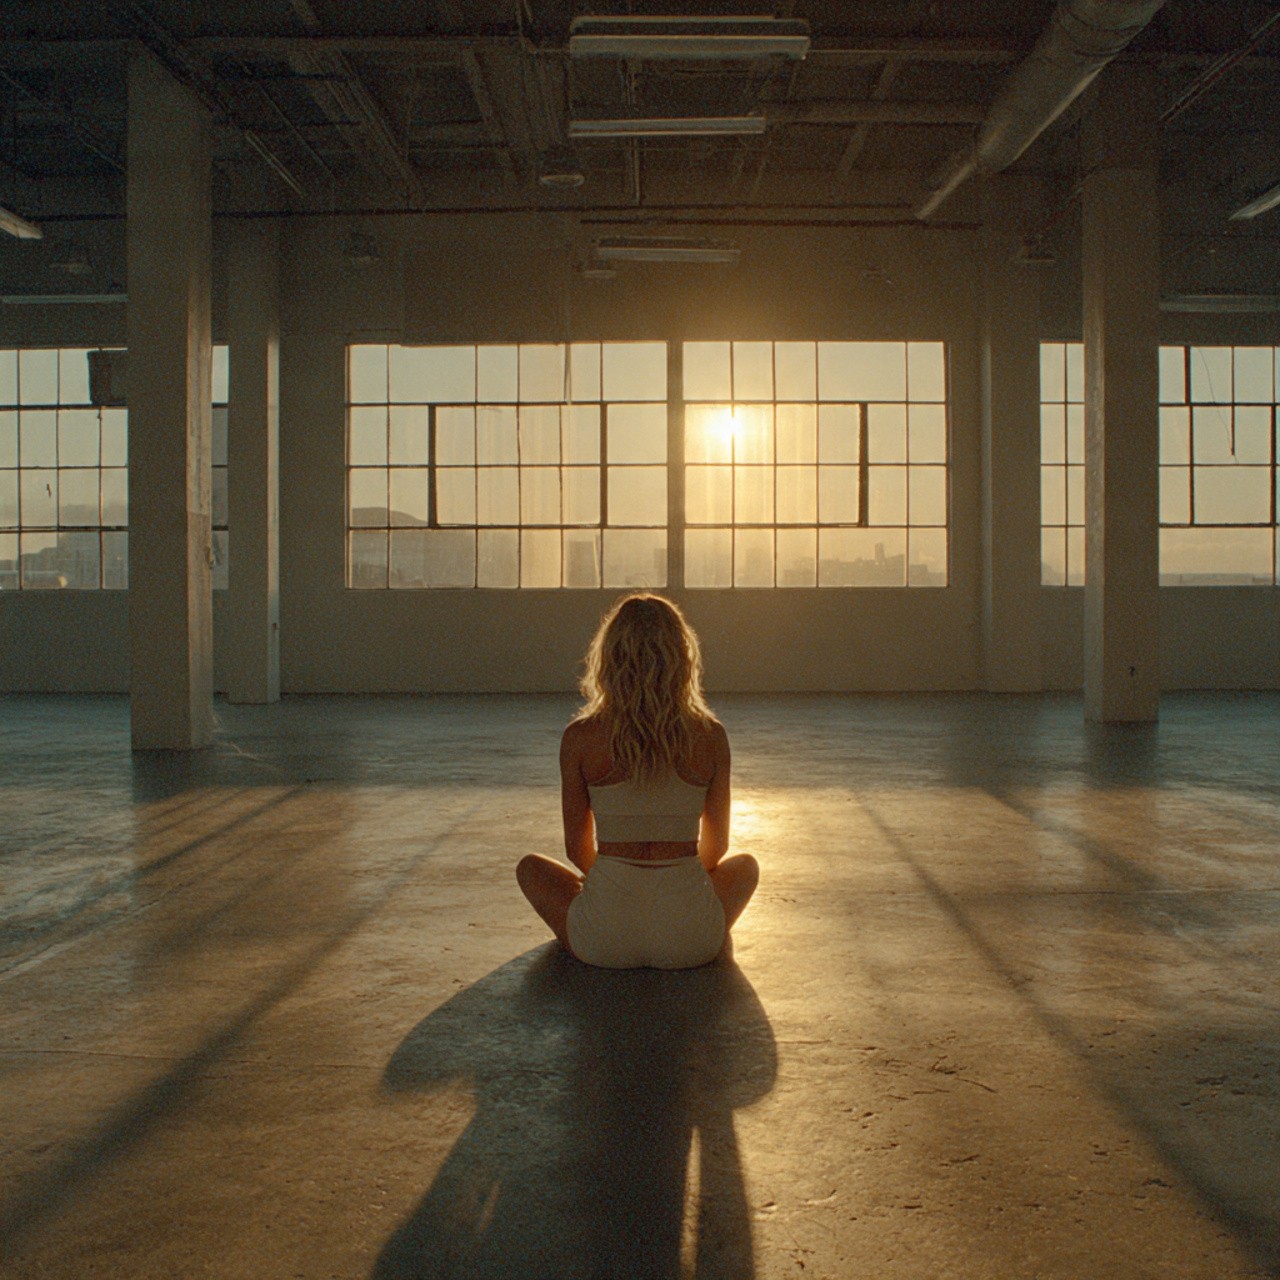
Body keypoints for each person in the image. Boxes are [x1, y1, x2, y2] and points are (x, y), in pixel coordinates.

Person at [516, 593, 759, 969]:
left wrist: (617, 884)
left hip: (603, 940)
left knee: (530, 868)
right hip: (690, 940)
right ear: (682, 658)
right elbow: (718, 845)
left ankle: (621, 908)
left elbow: (576, 849)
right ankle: (672, 915)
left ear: (609, 658)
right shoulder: (711, 735)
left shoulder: (580, 737)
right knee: (746, 867)